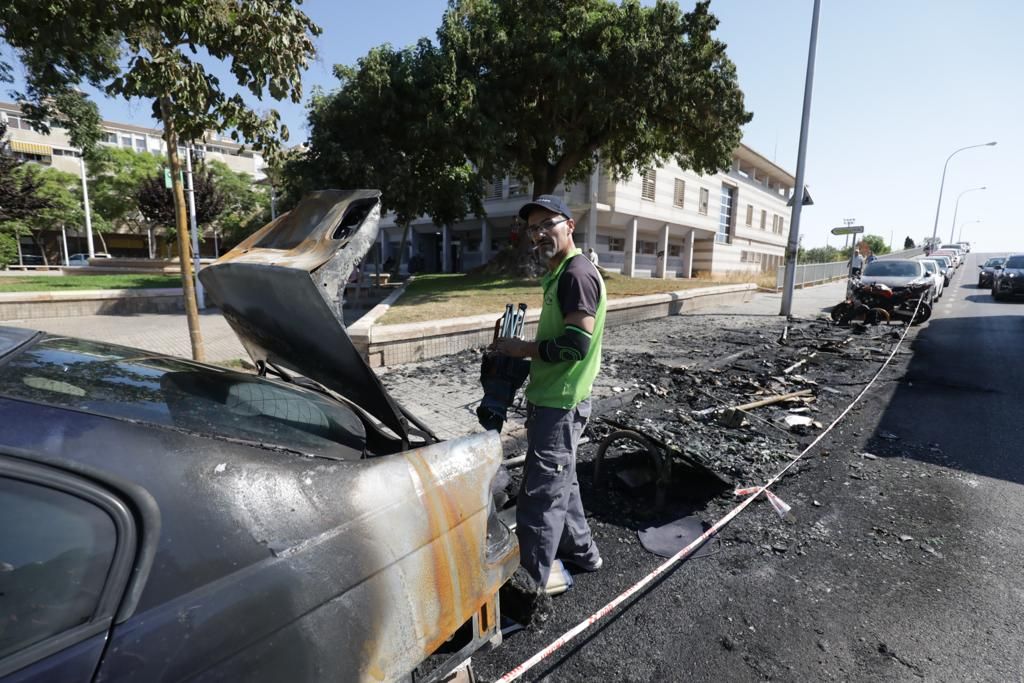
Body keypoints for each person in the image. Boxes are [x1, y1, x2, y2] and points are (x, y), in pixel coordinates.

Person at [492, 194, 604, 595]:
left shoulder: (576, 274)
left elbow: (576, 345)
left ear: (569, 225)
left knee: (540, 498)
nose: (539, 235)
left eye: (547, 225)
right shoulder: (560, 274)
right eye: (533, 229)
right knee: (564, 481)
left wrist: (522, 349)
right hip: (554, 397)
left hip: (561, 402)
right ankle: (584, 553)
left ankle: (528, 591)